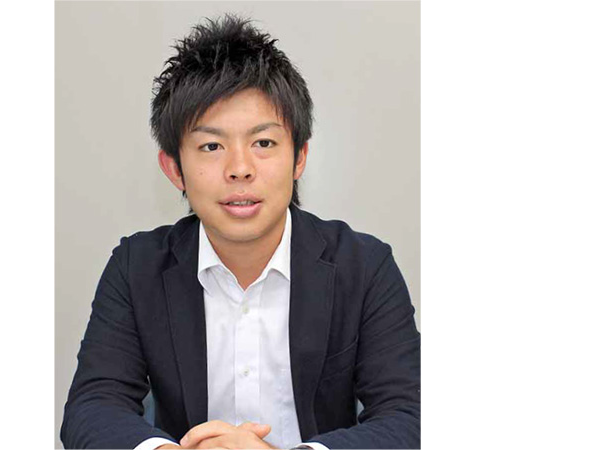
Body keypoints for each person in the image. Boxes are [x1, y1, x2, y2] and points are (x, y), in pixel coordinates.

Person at [60, 14, 420, 450]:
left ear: (299, 157)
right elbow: (93, 408)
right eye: (211, 146)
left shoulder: (364, 267)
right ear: (174, 168)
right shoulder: (136, 268)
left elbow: (410, 416)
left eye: (263, 143)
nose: (240, 169)